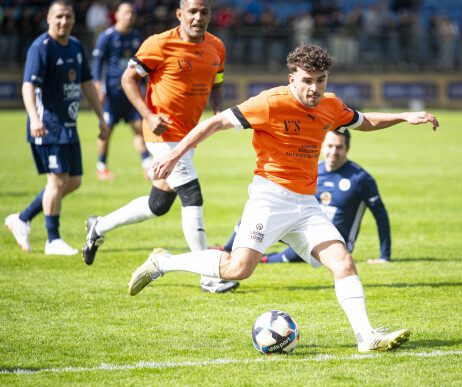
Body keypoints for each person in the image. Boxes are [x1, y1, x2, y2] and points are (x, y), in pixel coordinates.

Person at [128, 43, 439, 353]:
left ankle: (366, 337)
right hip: (269, 199)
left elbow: (362, 121)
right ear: (293, 78)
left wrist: (403, 116)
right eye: (307, 80)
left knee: (343, 261)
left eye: (321, 79)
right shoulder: (269, 103)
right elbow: (215, 123)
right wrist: (174, 155)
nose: (314, 88)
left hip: (307, 205)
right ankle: (163, 262)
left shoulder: (330, 104)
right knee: (239, 269)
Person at [82, 0, 239, 294]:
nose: (198, 17)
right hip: (161, 135)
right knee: (192, 194)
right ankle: (208, 276)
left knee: (158, 205)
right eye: (192, 11)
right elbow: (129, 79)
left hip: (188, 136)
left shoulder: (217, 46)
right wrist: (149, 115)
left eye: (204, 12)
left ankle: (98, 227)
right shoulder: (159, 44)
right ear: (180, 14)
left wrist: (218, 108)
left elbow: (216, 80)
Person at [5, 0, 107, 255]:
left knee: (73, 181)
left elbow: (87, 84)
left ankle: (23, 218)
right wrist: (35, 119)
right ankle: (53, 240)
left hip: (68, 125)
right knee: (57, 180)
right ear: (49, 18)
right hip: (47, 125)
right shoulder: (41, 48)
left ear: (74, 19)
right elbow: (28, 86)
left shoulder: (75, 46)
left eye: (68, 17)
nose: (64, 21)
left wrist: (101, 117)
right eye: (59, 17)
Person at [215, 129, 392, 264]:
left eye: (339, 147)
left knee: (292, 254)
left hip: (333, 241)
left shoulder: (360, 178)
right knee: (257, 212)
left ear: (347, 149)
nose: (333, 151)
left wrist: (384, 256)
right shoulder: (312, 170)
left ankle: (264, 259)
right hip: (304, 227)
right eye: (329, 146)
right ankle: (226, 248)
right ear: (322, 146)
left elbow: (381, 216)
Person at [91, 2, 151, 180]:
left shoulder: (136, 36)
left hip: (132, 93)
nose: (129, 16)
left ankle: (147, 166)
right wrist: (98, 88)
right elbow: (97, 64)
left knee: (139, 128)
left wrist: (147, 85)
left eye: (132, 13)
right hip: (111, 94)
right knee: (106, 130)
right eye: (126, 13)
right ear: (116, 15)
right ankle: (101, 167)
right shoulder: (107, 37)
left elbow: (144, 63)